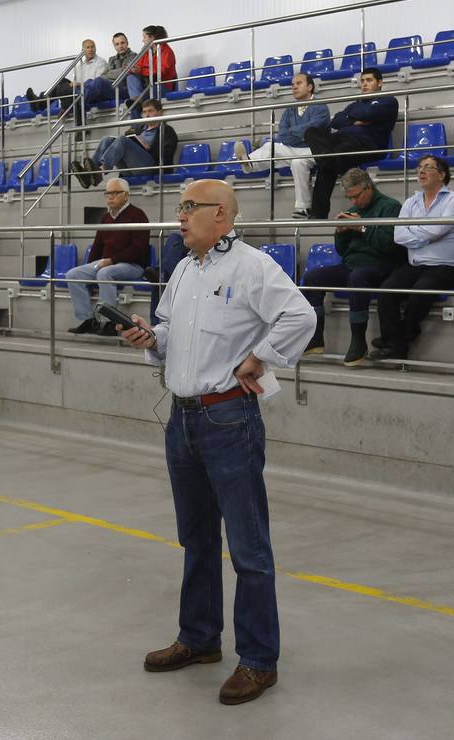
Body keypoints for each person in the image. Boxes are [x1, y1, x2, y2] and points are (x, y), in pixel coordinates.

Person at [118, 179, 314, 706]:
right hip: (181, 421)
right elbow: (167, 330)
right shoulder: (184, 269)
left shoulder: (251, 265)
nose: (180, 216)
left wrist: (260, 356)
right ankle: (200, 639)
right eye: (180, 207)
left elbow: (301, 315)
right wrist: (149, 337)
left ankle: (258, 660)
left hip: (228, 419)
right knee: (197, 539)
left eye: (189, 208)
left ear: (222, 216)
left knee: (249, 548)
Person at [302, 168, 404, 365]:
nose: (354, 202)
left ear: (369, 187)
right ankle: (315, 337)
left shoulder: (390, 207)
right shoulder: (354, 211)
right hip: (353, 265)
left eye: (356, 196)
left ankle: (359, 340)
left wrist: (363, 227)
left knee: (357, 278)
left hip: (381, 265)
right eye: (350, 198)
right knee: (313, 278)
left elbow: (389, 245)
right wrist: (340, 233)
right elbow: (343, 251)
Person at [371, 156, 454, 361]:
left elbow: (437, 230)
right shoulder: (410, 202)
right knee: (387, 290)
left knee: (420, 291)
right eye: (419, 167)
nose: (421, 171)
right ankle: (396, 340)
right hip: (416, 264)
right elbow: (399, 236)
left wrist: (415, 233)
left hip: (448, 266)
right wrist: (425, 236)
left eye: (428, 168)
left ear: (441, 175)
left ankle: (400, 338)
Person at [304, 67, 398, 218]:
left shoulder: (389, 101)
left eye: (369, 80)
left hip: (367, 144)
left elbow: (369, 113)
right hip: (341, 140)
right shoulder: (356, 104)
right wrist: (356, 119)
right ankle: (326, 157)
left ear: (379, 82)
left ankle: (318, 213)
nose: (364, 84)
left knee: (327, 164)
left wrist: (351, 118)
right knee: (311, 132)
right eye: (362, 81)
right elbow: (336, 121)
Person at [235, 71, 330, 218]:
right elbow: (283, 135)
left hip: (313, 150)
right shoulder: (289, 110)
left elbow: (314, 129)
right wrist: (300, 134)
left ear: (310, 87)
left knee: (298, 162)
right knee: (271, 146)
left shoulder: (320, 106)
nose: (294, 87)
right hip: (294, 148)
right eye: (292, 85)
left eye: (299, 83)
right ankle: (250, 163)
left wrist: (295, 132)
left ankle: (303, 208)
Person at [64, 178, 150, 336]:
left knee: (104, 273)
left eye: (115, 193)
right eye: (108, 193)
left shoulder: (137, 215)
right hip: (107, 262)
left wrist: (111, 261)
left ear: (125, 195)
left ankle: (110, 322)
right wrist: (90, 269)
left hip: (132, 265)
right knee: (73, 274)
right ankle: (89, 320)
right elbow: (97, 247)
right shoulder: (106, 217)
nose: (110, 197)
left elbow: (139, 249)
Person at [82, 98, 179, 184]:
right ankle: (89, 173)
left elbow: (167, 157)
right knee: (107, 139)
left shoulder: (167, 131)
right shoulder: (139, 128)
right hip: (131, 166)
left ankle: (101, 171)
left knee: (122, 140)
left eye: (150, 111)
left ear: (160, 112)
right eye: (144, 112)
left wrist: (147, 148)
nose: (147, 115)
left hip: (151, 167)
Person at [26, 39, 108, 116]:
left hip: (92, 93)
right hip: (79, 91)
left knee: (72, 89)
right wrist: (75, 85)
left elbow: (96, 84)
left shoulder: (101, 62)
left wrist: (78, 84)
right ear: (83, 50)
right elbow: (74, 84)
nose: (91, 49)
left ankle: (63, 106)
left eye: (93, 47)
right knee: (61, 82)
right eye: (88, 47)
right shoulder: (79, 65)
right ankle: (40, 103)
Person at [81, 33, 140, 108]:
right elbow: (103, 75)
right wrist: (121, 70)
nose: (120, 46)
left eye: (122, 43)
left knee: (98, 81)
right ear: (114, 46)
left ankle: (79, 104)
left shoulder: (135, 56)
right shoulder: (111, 59)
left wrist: (112, 73)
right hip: (112, 88)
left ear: (127, 43)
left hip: (124, 90)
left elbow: (126, 73)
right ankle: (77, 103)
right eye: (117, 44)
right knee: (89, 81)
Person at [128, 24, 177, 109]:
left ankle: (137, 102)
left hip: (162, 85)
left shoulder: (167, 51)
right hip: (148, 84)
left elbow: (160, 71)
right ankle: (136, 100)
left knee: (139, 102)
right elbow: (138, 65)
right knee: (131, 77)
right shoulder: (146, 52)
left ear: (152, 38)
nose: (142, 40)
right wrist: (134, 69)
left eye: (144, 37)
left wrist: (141, 71)